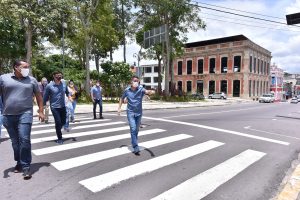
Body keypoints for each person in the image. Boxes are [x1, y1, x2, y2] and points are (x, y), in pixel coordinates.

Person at [0, 60, 45, 179]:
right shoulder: (4, 78)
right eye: (24, 67)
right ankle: (19, 162)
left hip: (25, 113)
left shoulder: (32, 80)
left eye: (28, 67)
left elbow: (39, 97)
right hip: (8, 115)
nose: (27, 69)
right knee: (15, 143)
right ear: (16, 67)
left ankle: (25, 166)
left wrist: (41, 111)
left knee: (24, 140)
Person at [118, 75, 155, 155]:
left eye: (137, 81)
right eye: (134, 80)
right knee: (133, 128)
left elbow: (147, 92)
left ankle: (134, 141)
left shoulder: (141, 89)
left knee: (136, 130)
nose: (136, 82)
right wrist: (119, 108)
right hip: (130, 112)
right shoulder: (127, 90)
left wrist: (151, 92)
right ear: (131, 81)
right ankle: (135, 147)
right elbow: (121, 98)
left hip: (139, 113)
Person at [43, 71, 70, 144]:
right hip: (54, 107)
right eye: (58, 76)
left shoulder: (64, 84)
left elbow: (67, 92)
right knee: (58, 122)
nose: (59, 77)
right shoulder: (49, 86)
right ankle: (60, 138)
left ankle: (58, 128)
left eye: (60, 75)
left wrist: (69, 96)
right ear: (54, 76)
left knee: (63, 122)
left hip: (63, 106)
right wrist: (42, 108)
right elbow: (45, 97)